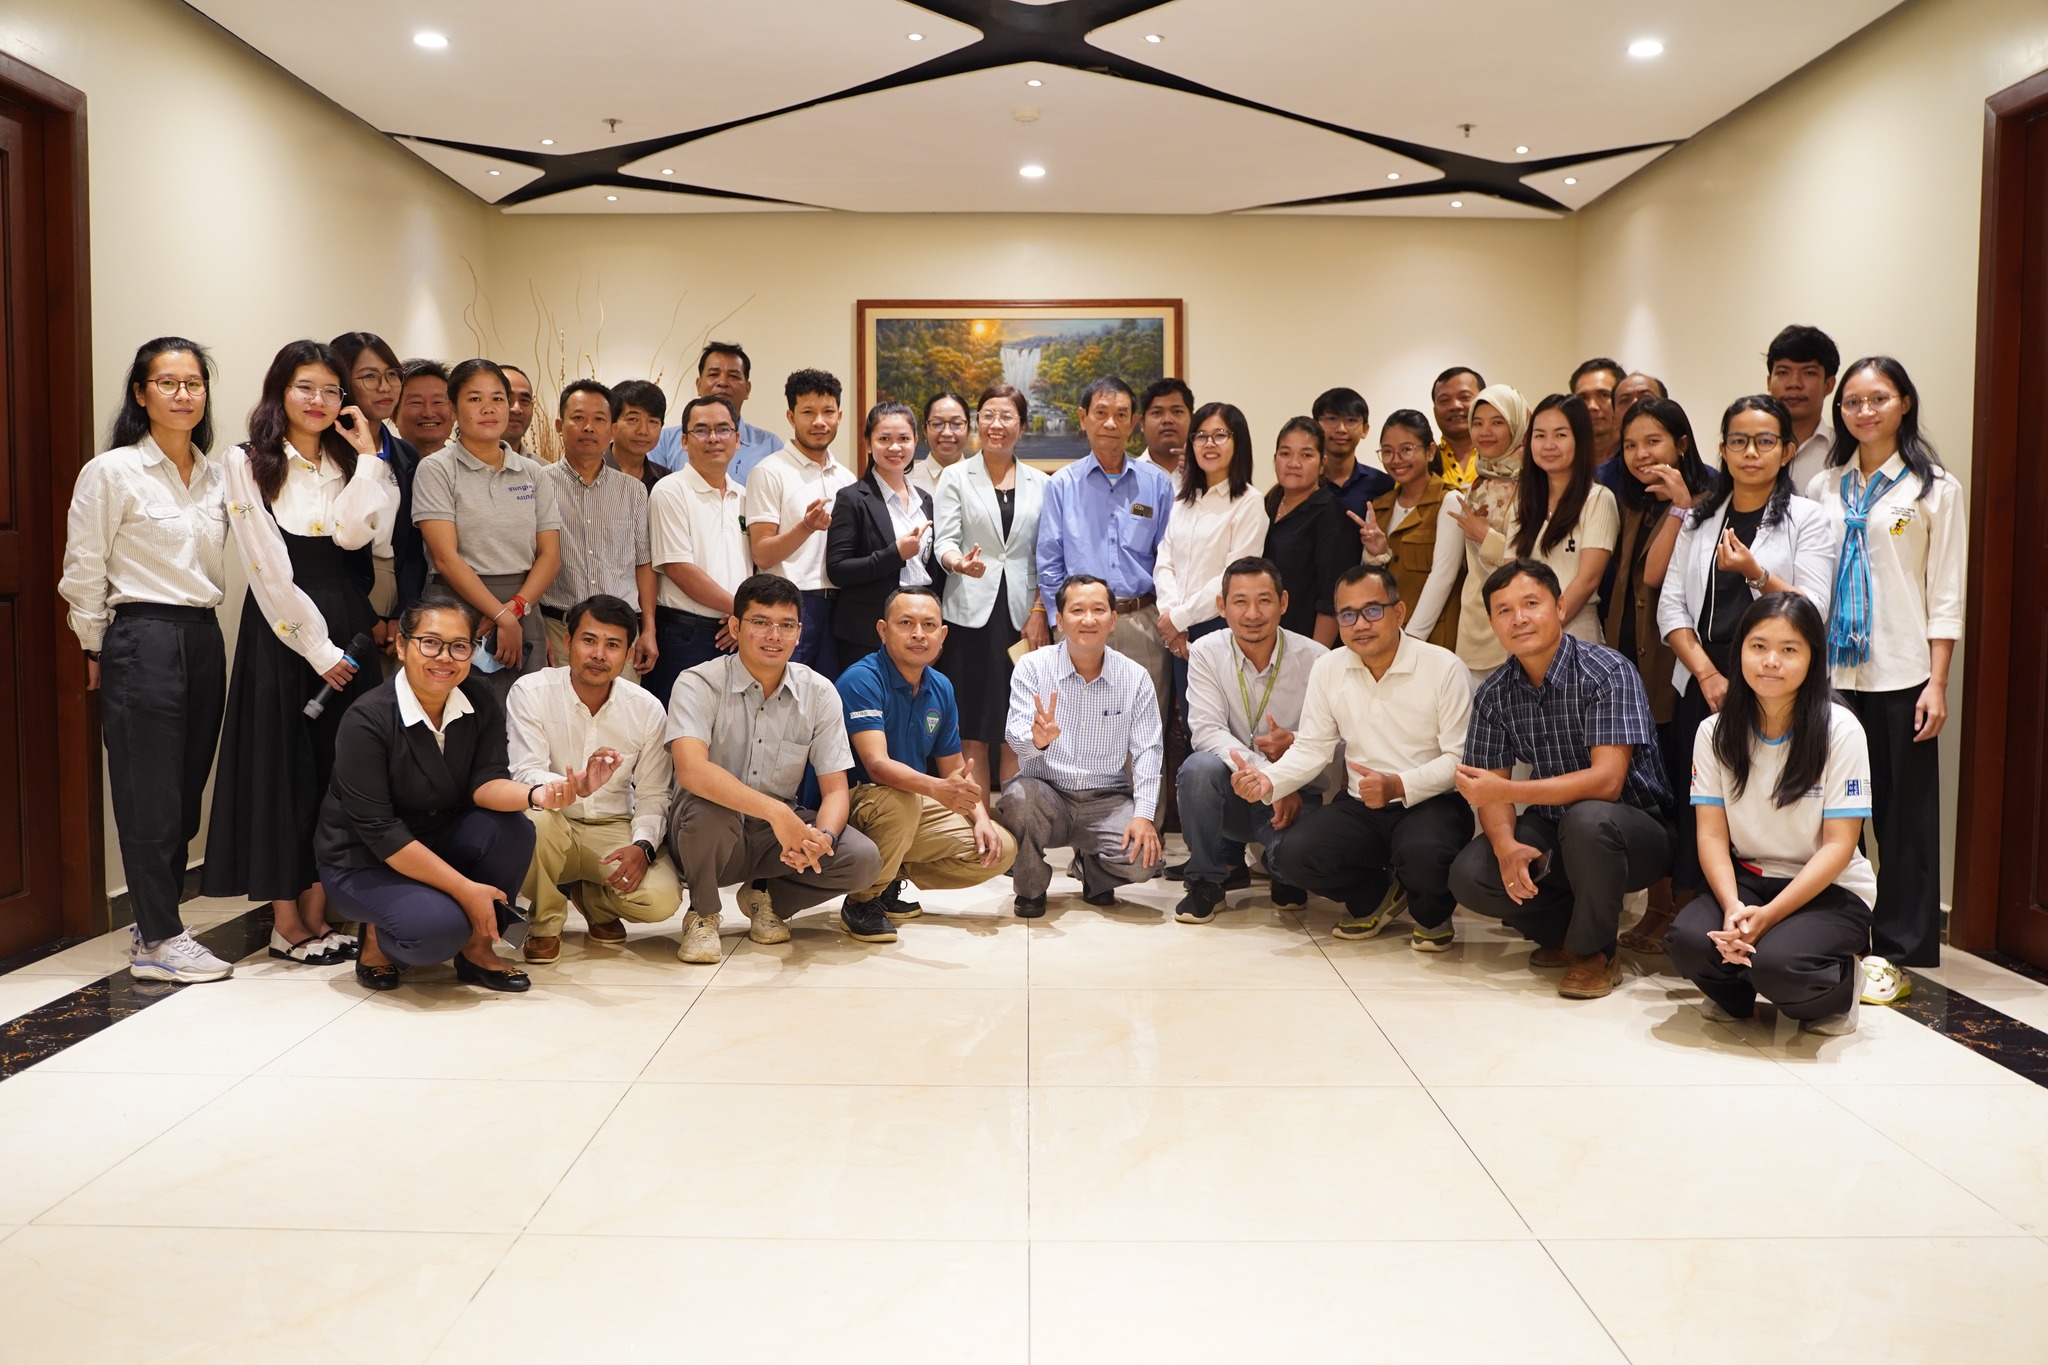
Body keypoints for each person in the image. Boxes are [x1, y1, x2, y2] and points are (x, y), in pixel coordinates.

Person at [204, 338, 399, 965]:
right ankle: (286, 924)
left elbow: (354, 536)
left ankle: (319, 914)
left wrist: (368, 459)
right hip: (284, 625)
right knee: (284, 769)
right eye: (304, 388)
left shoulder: (349, 458)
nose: (318, 401)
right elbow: (265, 563)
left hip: (348, 615)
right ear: (280, 391)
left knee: (340, 770)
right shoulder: (247, 460)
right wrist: (317, 649)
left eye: (330, 391)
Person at [60, 336, 236, 984]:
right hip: (142, 635)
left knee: (185, 794)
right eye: (168, 382)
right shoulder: (111, 472)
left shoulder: (220, 476)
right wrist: (93, 643)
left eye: (194, 383)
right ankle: (159, 938)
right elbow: (84, 566)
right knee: (148, 795)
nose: (183, 394)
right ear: (141, 393)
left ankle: (154, 922)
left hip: (204, 635)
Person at [1810, 356, 1966, 1001]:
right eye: (1852, 402)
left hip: (1903, 672)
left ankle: (1902, 947)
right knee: (1834, 810)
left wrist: (1938, 682)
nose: (1864, 411)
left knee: (1904, 815)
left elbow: (1945, 590)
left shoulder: (1934, 488)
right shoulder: (1825, 486)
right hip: (1832, 673)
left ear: (1904, 403)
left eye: (1878, 398)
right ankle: (1836, 929)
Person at [1449, 560, 1676, 1000]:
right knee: (1471, 874)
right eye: (1504, 610)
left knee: (1588, 820)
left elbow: (1607, 782)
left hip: (1633, 829)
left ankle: (1595, 954)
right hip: (1557, 827)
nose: (1518, 618)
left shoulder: (1607, 670)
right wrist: (1506, 847)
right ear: (1492, 624)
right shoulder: (1494, 693)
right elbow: (1489, 790)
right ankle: (1570, 934)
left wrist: (1509, 791)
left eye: (1531, 604)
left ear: (1560, 607)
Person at [316, 592, 547, 994]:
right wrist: (466, 890)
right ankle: (376, 941)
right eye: (430, 643)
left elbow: (486, 782)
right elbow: (380, 830)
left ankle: (477, 950)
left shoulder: (479, 697)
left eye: (459, 646)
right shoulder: (367, 719)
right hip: (365, 858)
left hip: (437, 839)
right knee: (438, 933)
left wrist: (539, 794)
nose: (445, 657)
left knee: (513, 829)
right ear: (402, 646)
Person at [1664, 593, 1873, 1035]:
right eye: (1758, 646)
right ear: (1739, 650)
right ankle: (1736, 993)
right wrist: (1732, 907)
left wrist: (1770, 915)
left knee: (1777, 963)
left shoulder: (1841, 730)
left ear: (1813, 658)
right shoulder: (1714, 732)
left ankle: (1840, 989)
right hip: (1749, 880)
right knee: (1688, 941)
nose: (1771, 661)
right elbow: (1712, 837)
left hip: (1829, 888)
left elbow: (1840, 846)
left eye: (1789, 649)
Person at [1660, 395, 1838, 912]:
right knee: (1704, 803)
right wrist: (1707, 674)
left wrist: (1756, 574)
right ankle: (1707, 913)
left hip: (1775, 677)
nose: (1751, 453)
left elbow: (1814, 609)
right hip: (1706, 677)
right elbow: (1671, 607)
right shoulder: (1700, 519)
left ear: (1787, 451)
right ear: (1722, 449)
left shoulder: (1807, 517)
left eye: (1764, 441)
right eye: (1738, 441)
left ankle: (1779, 910)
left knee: (1769, 797)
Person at [1234, 564, 1473, 945]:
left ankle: (1432, 915)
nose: (1360, 624)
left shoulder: (1443, 668)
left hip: (1431, 802)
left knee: (1425, 854)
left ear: (1399, 612)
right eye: (1347, 615)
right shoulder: (1329, 667)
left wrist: (1397, 785)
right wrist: (1268, 780)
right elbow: (1313, 747)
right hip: (1361, 804)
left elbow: (1458, 760)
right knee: (1290, 857)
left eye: (1372, 610)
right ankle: (1375, 895)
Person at [663, 573, 883, 963]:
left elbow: (835, 789)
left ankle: (766, 897)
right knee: (710, 810)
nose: (774, 636)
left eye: (786, 625)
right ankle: (703, 914)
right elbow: (692, 771)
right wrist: (777, 813)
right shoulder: (698, 683)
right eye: (761, 622)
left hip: (773, 839)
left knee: (862, 859)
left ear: (799, 633)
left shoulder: (819, 692)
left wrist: (823, 838)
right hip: (704, 831)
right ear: (735, 627)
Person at [507, 594, 681, 964]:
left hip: (612, 827)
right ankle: (545, 922)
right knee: (535, 820)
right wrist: (574, 787)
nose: (599, 654)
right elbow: (525, 773)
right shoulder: (531, 692)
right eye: (589, 640)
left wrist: (643, 846)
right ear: (568, 641)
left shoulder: (647, 708)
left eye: (613, 645)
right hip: (554, 822)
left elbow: (654, 794)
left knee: (662, 899)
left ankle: (592, 899)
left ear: (629, 654)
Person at [837, 586, 1017, 939]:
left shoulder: (941, 686)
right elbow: (876, 765)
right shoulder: (862, 679)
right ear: (883, 630)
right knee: (900, 803)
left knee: (1001, 847)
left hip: (908, 802)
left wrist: (981, 817)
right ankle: (861, 901)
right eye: (906, 623)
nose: (919, 634)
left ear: (942, 634)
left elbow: (954, 767)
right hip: (855, 804)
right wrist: (936, 788)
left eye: (929, 625)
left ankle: (887, 881)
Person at [1603, 396, 1714, 952]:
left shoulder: (1705, 501)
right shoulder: (1629, 501)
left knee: (1679, 791)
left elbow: (1654, 574)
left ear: (1682, 444)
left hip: (1674, 669)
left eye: (1653, 442)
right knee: (1647, 792)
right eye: (1630, 445)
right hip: (1629, 666)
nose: (1641, 454)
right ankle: (1659, 904)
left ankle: (1683, 908)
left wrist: (1680, 508)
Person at [997, 575, 1165, 915]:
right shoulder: (1033, 666)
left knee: (1144, 862)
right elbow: (1014, 733)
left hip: (1106, 800)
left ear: (1113, 619)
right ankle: (1030, 889)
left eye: (1098, 610)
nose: (1088, 619)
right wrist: (1036, 740)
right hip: (1046, 793)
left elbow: (1149, 750)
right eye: (1077, 611)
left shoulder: (1135, 677)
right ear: (1059, 620)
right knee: (1018, 799)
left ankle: (1093, 871)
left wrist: (1144, 815)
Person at [1172, 558, 1329, 921]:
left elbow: (1334, 738)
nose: (1253, 614)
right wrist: (1269, 778)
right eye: (1240, 601)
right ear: (1221, 606)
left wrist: (1295, 745)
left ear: (1283, 602)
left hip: (1294, 798)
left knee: (1292, 869)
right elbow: (1206, 730)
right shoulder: (1206, 651)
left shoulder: (1316, 659)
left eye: (1264, 600)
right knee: (1198, 768)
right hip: (1234, 793)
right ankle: (1205, 881)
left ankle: (1281, 873)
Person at [413, 358, 562, 705]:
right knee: (458, 711)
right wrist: (500, 615)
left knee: (523, 715)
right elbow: (445, 557)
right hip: (457, 605)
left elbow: (550, 555)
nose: (488, 408)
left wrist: (515, 610)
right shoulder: (436, 469)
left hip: (523, 604)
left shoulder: (533, 473)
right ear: (453, 408)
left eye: (497, 398)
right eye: (474, 399)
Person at [933, 383, 1051, 801]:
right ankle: (977, 825)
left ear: (1022, 425)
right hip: (969, 615)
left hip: (1023, 618)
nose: (995, 425)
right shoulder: (955, 476)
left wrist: (1040, 610)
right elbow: (944, 540)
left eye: (1006, 416)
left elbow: (1047, 553)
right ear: (977, 423)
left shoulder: (1042, 483)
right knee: (973, 730)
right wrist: (958, 563)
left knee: (1017, 730)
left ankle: (1015, 828)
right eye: (987, 416)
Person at [1035, 376, 1176, 719]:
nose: (1110, 423)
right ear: (1083, 418)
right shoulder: (1062, 484)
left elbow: (1171, 558)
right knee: (1078, 727)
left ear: (1134, 423)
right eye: (1101, 412)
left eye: (1121, 414)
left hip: (1142, 622)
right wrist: (1058, 622)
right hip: (1080, 624)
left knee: (1145, 729)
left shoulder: (1158, 484)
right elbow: (1050, 560)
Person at [538, 379, 657, 682]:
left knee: (621, 711)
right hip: (560, 629)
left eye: (599, 419)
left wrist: (649, 629)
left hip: (621, 633)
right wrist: (537, 631)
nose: (588, 427)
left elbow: (643, 564)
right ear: (559, 425)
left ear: (612, 429)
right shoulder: (537, 483)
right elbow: (528, 562)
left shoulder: (633, 491)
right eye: (578, 417)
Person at [1475, 393, 1618, 645]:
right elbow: (1512, 573)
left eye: (1560, 435)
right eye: (1540, 435)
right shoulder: (1524, 502)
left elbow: (1587, 581)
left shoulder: (1598, 499)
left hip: (1576, 631)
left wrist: (1544, 625)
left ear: (1580, 440)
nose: (1548, 445)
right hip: (1526, 632)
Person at [747, 368, 857, 679]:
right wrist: (806, 526)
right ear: (790, 416)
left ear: (839, 416)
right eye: (808, 412)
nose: (819, 421)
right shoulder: (769, 471)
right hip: (788, 604)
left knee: (830, 696)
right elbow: (762, 553)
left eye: (828, 412)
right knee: (784, 691)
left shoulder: (846, 478)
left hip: (839, 606)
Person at [644, 395, 753, 704]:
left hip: (735, 633)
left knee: (729, 729)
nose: (713, 438)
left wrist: (742, 620)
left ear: (737, 439)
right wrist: (743, 612)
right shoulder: (670, 490)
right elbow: (678, 568)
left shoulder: (745, 496)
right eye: (702, 430)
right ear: (684, 441)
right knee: (681, 726)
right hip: (686, 635)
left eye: (723, 429)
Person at [1155, 401, 1270, 675]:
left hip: (1220, 628)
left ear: (1238, 442)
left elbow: (1233, 577)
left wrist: (1180, 617)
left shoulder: (1249, 503)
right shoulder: (1183, 500)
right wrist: (1171, 616)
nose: (1209, 444)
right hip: (1177, 631)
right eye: (1201, 436)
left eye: (1220, 435)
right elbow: (1165, 562)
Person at [332, 332, 426, 665]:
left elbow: (413, 543)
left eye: (392, 375)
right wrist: (367, 614)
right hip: (342, 591)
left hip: (396, 590)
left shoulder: (405, 453)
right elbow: (327, 547)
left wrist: (404, 611)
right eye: (370, 376)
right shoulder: (326, 451)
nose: (385, 387)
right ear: (343, 382)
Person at [826, 401, 942, 666]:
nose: (895, 447)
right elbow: (838, 569)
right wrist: (895, 554)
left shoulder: (925, 500)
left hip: (919, 631)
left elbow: (930, 570)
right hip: (868, 632)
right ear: (868, 443)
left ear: (915, 441)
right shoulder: (852, 498)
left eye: (903, 439)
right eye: (884, 439)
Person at [1445, 384, 1530, 686]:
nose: (1485, 432)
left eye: (1497, 422)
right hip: (1475, 616)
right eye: (1478, 423)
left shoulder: (1534, 485)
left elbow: (1534, 561)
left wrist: (1487, 537)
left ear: (1517, 425)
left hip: (1519, 615)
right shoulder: (1478, 483)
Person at [1359, 409, 1462, 649]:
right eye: (1387, 451)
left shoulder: (1449, 501)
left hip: (1431, 639)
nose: (1396, 460)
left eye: (1406, 449)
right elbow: (1369, 581)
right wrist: (1376, 555)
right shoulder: (1378, 507)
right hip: (1384, 637)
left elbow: (1443, 577)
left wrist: (1411, 639)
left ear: (1430, 451)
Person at [1261, 416, 1351, 646]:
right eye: (1285, 453)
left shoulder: (1331, 514)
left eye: (1306, 455)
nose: (1294, 463)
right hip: (1265, 639)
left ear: (1322, 463)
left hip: (1304, 644)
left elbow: (1332, 600)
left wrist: (1316, 658)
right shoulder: (1269, 502)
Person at [650, 341, 783, 483]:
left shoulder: (770, 446)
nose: (722, 382)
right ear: (698, 385)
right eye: (714, 374)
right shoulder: (664, 441)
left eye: (733, 376)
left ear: (747, 389)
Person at [1767, 324, 1841, 493]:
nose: (1794, 383)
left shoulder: (1845, 450)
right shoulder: (1747, 449)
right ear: (1769, 382)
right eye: (1783, 372)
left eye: (1809, 373)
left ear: (1829, 385)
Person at [1312, 386, 1393, 517]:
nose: (1341, 429)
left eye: (1351, 420)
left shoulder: (1384, 485)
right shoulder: (1304, 482)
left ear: (1365, 430)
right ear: (1315, 426)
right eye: (1332, 419)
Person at [604, 379, 673, 494]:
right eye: (633, 419)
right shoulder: (590, 474)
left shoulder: (666, 481)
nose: (643, 431)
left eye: (653, 421)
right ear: (611, 424)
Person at [1429, 366, 1485, 491]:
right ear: (1434, 410)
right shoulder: (1421, 465)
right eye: (1444, 400)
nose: (1455, 406)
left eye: (1464, 397)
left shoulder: (1506, 460)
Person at [1569, 356, 1626, 477]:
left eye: (1603, 395)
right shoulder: (1563, 459)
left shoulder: (1638, 459)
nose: (1592, 406)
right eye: (1583, 398)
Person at [910, 390, 970, 498]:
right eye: (937, 424)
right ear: (925, 431)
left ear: (968, 430)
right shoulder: (905, 480)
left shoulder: (984, 480)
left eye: (957, 424)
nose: (947, 433)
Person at [1137, 377, 1194, 482]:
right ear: (1142, 423)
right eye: (1157, 413)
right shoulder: (1127, 476)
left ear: (1192, 420)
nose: (1167, 420)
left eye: (1177, 411)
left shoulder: (1208, 476)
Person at [394, 359, 452, 461]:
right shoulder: (377, 465)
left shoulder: (470, 467)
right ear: (393, 414)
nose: (428, 413)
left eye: (438, 402)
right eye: (416, 402)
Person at [501, 363, 537, 453]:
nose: (516, 409)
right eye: (507, 399)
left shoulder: (536, 462)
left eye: (524, 400)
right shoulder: (464, 461)